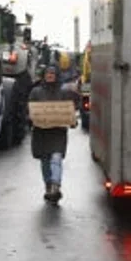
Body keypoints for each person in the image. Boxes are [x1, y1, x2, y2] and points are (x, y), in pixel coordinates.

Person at [28, 65, 77, 204]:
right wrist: (30, 118)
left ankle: (56, 185)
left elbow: (71, 108)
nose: (50, 75)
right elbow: (30, 109)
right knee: (45, 161)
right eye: (48, 73)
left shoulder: (64, 93)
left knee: (56, 158)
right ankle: (48, 185)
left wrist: (71, 120)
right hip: (41, 133)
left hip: (57, 133)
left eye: (52, 73)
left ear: (56, 76)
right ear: (44, 75)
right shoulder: (36, 92)